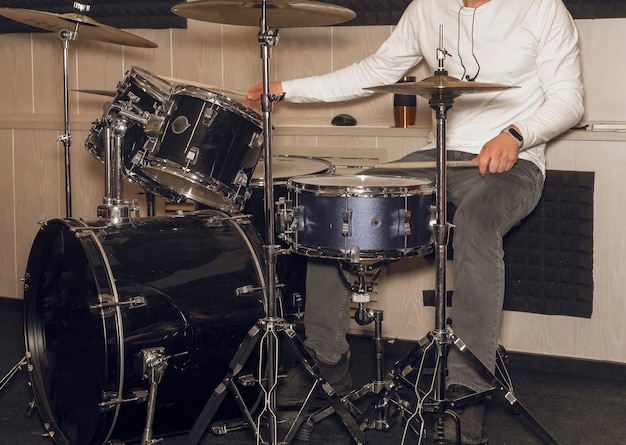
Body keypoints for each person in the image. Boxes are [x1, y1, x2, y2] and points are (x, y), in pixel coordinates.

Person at [247, 0, 583, 443]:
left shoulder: (542, 7)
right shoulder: (426, 7)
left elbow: (569, 99)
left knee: (478, 225)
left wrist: (517, 133)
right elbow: (375, 70)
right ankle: (326, 366)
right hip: (435, 157)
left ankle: (466, 388)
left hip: (514, 160)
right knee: (340, 206)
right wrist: (287, 87)